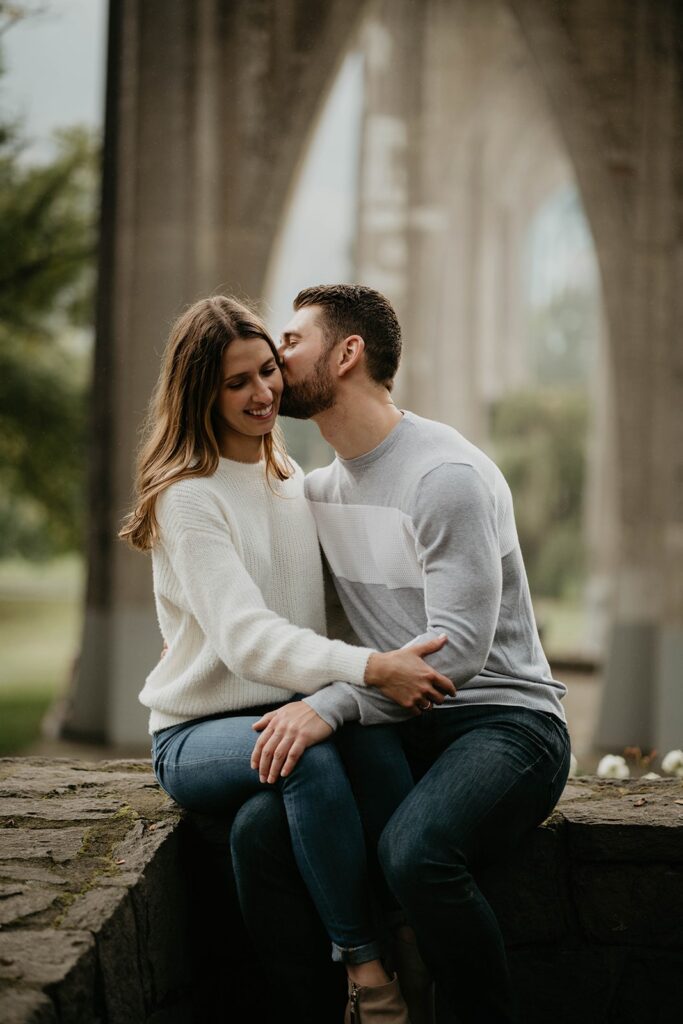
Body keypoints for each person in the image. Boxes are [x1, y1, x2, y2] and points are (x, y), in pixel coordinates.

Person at [118, 294, 458, 1024]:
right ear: (200, 390)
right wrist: (372, 668)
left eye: (267, 370)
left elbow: (328, 611)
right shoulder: (187, 498)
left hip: (280, 712)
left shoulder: (288, 482)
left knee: (288, 804)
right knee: (306, 751)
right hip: (195, 735)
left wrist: (383, 666)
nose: (262, 392)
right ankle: (367, 969)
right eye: (236, 381)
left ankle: (401, 932)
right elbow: (245, 639)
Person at [242, 284, 572, 1024]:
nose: (274, 354)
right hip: (398, 727)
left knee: (414, 851)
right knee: (258, 835)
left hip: (504, 724)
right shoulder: (316, 494)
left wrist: (326, 707)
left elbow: (452, 656)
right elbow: (284, 616)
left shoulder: (442, 476)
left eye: (292, 341)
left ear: (347, 353)